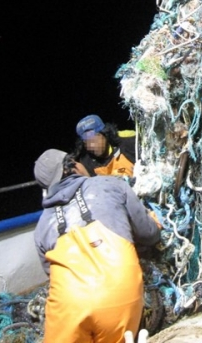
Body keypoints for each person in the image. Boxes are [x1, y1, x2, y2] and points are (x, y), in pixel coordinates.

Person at [33, 148, 161, 343]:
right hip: (118, 298)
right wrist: (155, 223)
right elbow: (148, 234)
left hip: (68, 307)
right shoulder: (111, 184)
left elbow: (51, 276)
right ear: (75, 165)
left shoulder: (42, 225)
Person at [74, 114, 138, 179]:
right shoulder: (87, 163)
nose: (91, 145)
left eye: (93, 140)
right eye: (86, 142)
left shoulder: (128, 143)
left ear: (104, 133)